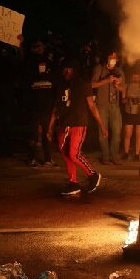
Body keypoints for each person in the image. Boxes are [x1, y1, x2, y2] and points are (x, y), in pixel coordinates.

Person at [47, 58, 107, 196]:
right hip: (64, 124)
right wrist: (50, 127)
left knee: (73, 154)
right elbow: (56, 108)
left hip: (79, 124)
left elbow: (92, 106)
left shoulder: (83, 84)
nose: (67, 72)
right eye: (65, 69)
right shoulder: (61, 86)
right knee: (64, 152)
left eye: (70, 69)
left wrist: (102, 125)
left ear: (75, 70)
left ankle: (93, 175)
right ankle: (73, 182)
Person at [24, 39, 58, 167]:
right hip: (34, 106)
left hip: (46, 106)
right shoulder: (29, 63)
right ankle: (31, 158)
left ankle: (48, 158)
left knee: (46, 134)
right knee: (33, 133)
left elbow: (55, 84)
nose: (38, 49)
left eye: (40, 46)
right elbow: (26, 84)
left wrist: (55, 104)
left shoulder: (50, 63)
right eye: (35, 46)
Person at [91, 50, 124, 165]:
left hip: (115, 105)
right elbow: (92, 84)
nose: (113, 59)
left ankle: (114, 156)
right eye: (111, 57)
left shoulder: (119, 71)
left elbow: (123, 89)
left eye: (115, 58)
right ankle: (105, 157)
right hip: (102, 104)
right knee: (103, 132)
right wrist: (106, 81)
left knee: (117, 131)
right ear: (107, 58)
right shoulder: (99, 69)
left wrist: (118, 85)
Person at [121, 71, 140, 161]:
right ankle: (126, 153)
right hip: (129, 112)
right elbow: (123, 101)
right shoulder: (126, 86)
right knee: (127, 134)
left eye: (137, 77)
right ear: (131, 78)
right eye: (134, 77)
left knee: (138, 135)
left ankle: (137, 154)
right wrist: (129, 100)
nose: (135, 79)